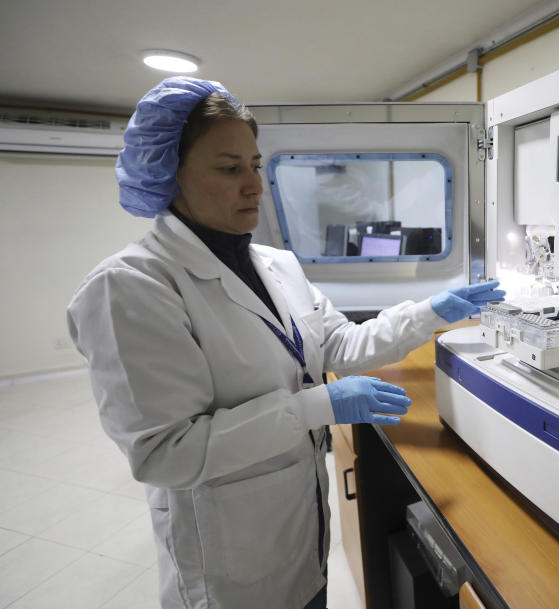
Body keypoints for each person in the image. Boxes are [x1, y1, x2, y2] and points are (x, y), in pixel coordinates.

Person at [66, 77, 504, 609]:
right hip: (228, 560)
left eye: (254, 165)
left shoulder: (276, 265)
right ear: (169, 176)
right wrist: (321, 404)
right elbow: (166, 454)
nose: (253, 185)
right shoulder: (130, 288)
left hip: (299, 531)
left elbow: (339, 344)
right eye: (229, 169)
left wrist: (431, 311)